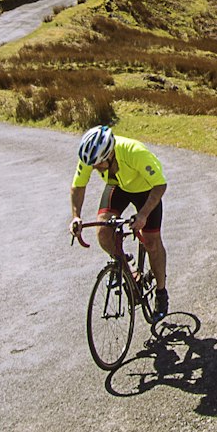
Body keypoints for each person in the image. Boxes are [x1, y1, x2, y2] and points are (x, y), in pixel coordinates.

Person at [69, 124, 168, 316]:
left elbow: (160, 185)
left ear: (110, 154)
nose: (95, 168)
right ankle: (129, 272)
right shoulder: (90, 159)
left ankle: (161, 292)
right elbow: (78, 187)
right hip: (119, 186)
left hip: (147, 190)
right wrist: (76, 216)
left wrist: (143, 215)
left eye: (98, 164)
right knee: (103, 232)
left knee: (152, 242)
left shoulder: (134, 152)